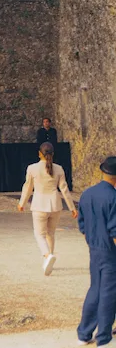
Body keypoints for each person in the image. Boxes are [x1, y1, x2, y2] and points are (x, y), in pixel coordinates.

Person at [18, 142, 76, 276]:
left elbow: (28, 187)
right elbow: (64, 189)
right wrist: (72, 207)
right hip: (55, 205)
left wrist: (22, 203)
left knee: (39, 234)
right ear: (53, 154)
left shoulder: (32, 168)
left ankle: (47, 255)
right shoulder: (59, 169)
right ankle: (49, 259)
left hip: (39, 205)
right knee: (51, 233)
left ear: (39, 153)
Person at [76, 156, 116, 347]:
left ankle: (84, 333)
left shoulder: (87, 194)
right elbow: (114, 230)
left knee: (95, 289)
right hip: (110, 250)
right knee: (109, 292)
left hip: (94, 248)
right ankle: (104, 337)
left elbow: (82, 224)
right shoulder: (113, 197)